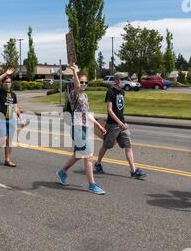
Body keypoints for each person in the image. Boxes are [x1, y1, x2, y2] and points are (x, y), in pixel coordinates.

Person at [56, 63, 107, 195]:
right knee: (89, 156)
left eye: (86, 81)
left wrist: (99, 125)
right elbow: (78, 87)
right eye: (81, 81)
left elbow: (87, 113)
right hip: (77, 128)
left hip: (84, 127)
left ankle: (62, 172)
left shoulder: (85, 96)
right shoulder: (74, 94)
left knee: (79, 154)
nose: (84, 83)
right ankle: (92, 184)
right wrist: (75, 72)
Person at [94, 78, 146, 179]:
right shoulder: (110, 92)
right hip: (113, 125)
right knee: (106, 145)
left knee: (128, 146)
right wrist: (119, 122)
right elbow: (109, 110)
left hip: (122, 124)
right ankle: (98, 163)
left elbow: (120, 109)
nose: (125, 81)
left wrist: (122, 122)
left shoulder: (122, 92)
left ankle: (133, 170)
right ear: (117, 80)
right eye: (123, 79)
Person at [0, 68, 23, 167]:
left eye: (9, 82)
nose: (8, 84)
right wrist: (6, 74)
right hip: (0, 119)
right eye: (6, 82)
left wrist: (21, 119)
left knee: (9, 141)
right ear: (3, 83)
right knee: (3, 139)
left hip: (11, 119)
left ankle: (7, 160)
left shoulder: (13, 95)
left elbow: (16, 107)